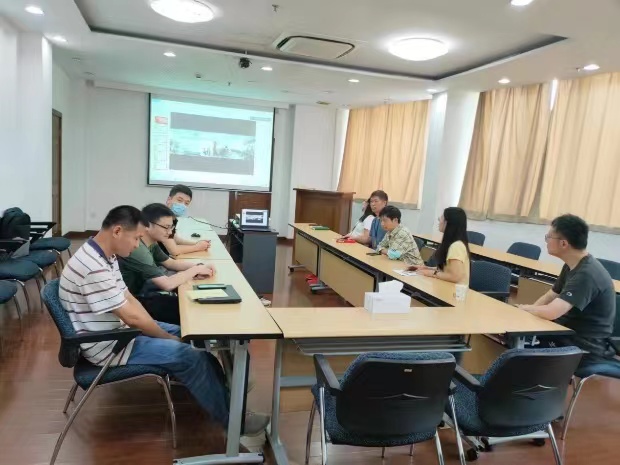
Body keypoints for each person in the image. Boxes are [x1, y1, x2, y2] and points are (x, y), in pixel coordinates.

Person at [58, 205, 270, 434]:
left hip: (121, 329)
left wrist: (160, 331)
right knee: (191, 356)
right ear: (117, 231)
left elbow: (129, 299)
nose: (137, 245)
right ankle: (234, 422)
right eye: (136, 238)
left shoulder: (103, 255)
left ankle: (225, 397)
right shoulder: (93, 267)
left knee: (193, 336)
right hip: (111, 344)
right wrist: (166, 337)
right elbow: (132, 317)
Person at [518, 214, 616, 360]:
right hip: (565, 332)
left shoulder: (587, 274)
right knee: (512, 338)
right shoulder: (572, 264)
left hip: (583, 345)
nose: (546, 241)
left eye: (548, 237)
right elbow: (551, 295)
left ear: (563, 244)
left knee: (517, 350)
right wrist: (527, 313)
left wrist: (526, 309)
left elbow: (551, 312)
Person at [118, 203, 217, 325]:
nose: (169, 232)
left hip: (143, 291)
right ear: (147, 225)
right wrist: (195, 270)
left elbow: (171, 263)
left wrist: (200, 265)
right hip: (131, 303)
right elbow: (167, 284)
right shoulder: (138, 249)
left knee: (187, 301)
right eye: (166, 227)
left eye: (171, 227)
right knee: (188, 310)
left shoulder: (151, 242)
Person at [413, 207, 470, 285]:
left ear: (448, 223)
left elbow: (455, 276)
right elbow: (447, 270)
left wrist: (431, 273)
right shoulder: (451, 243)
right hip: (446, 286)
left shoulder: (456, 246)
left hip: (455, 290)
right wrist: (426, 268)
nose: (439, 219)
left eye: (442, 217)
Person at [162, 184, 211, 256]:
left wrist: (196, 243)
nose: (182, 205)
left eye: (186, 203)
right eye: (179, 200)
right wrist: (197, 247)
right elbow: (174, 250)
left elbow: (174, 238)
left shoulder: (172, 218)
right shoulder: (162, 218)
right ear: (169, 199)